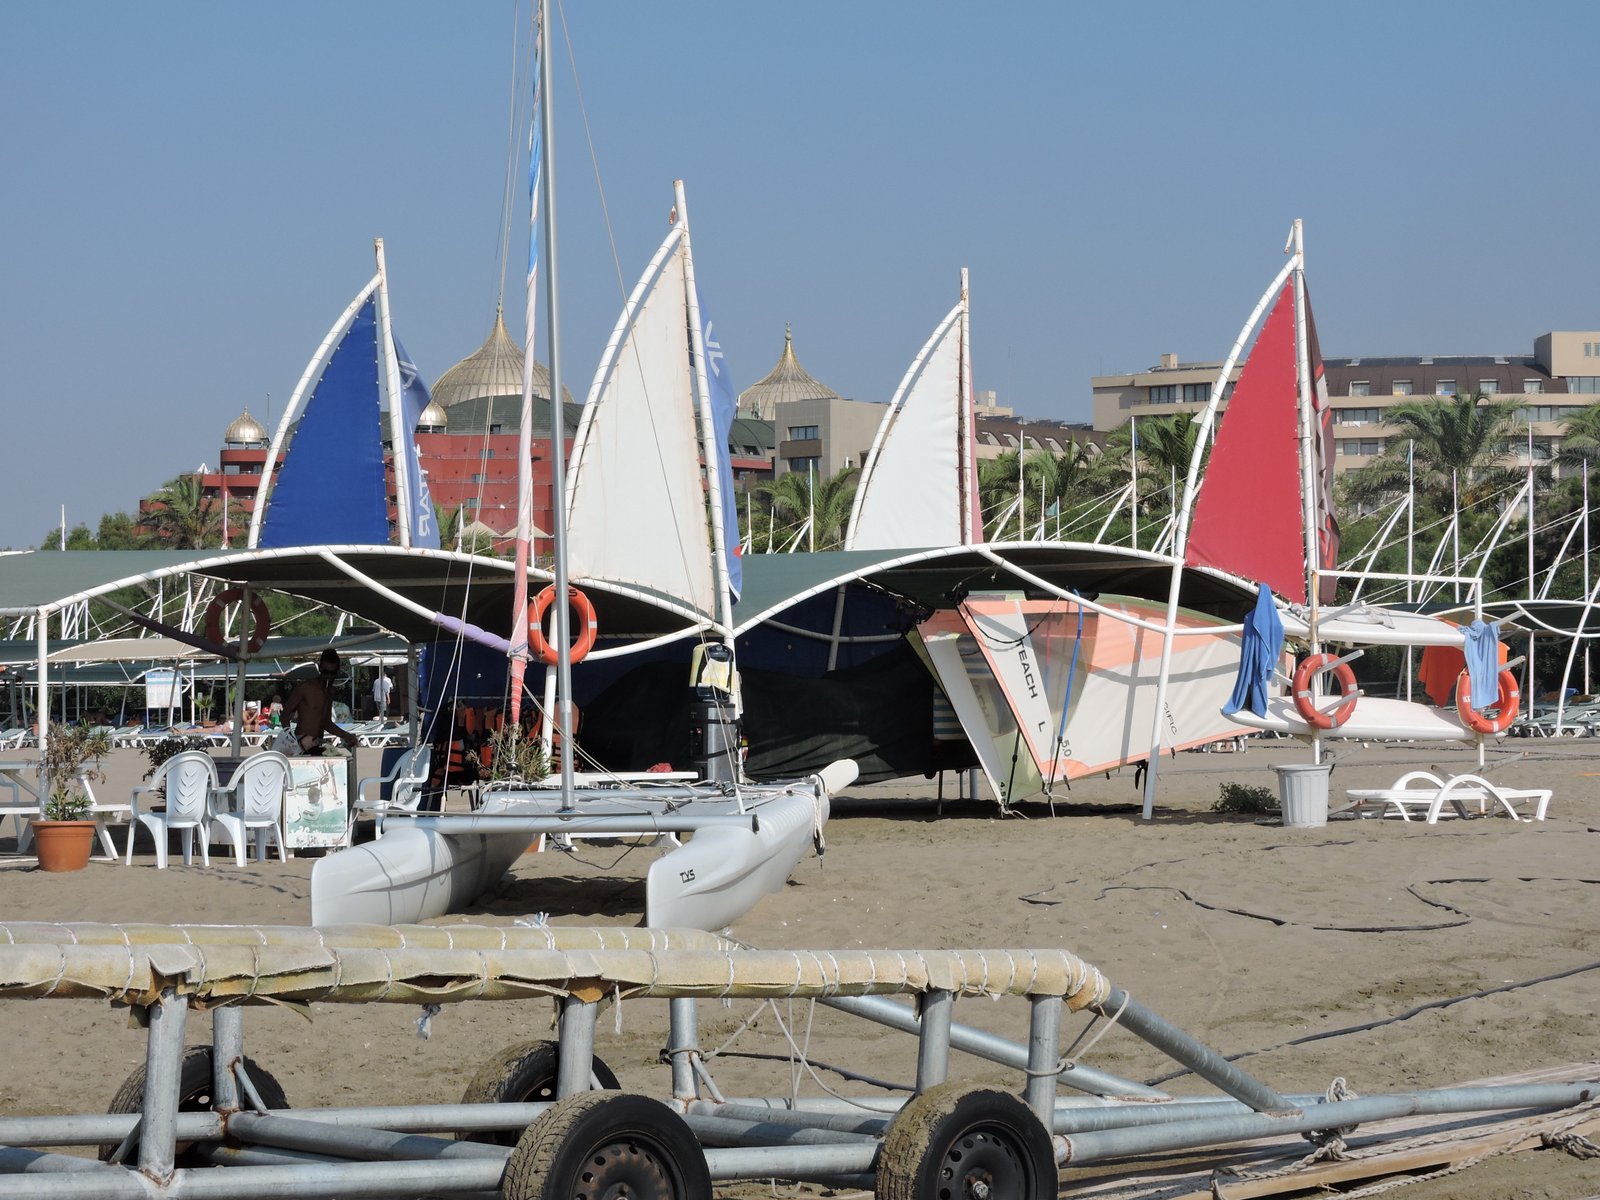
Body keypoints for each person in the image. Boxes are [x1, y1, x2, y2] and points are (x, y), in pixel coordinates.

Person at [283, 649, 358, 754]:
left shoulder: (330, 691)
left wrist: (346, 735)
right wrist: (292, 739)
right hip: (301, 742)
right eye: (326, 672)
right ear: (320, 668)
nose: (329, 676)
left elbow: (326, 723)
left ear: (337, 671)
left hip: (317, 742)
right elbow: (285, 714)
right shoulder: (305, 687)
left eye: (333, 673)